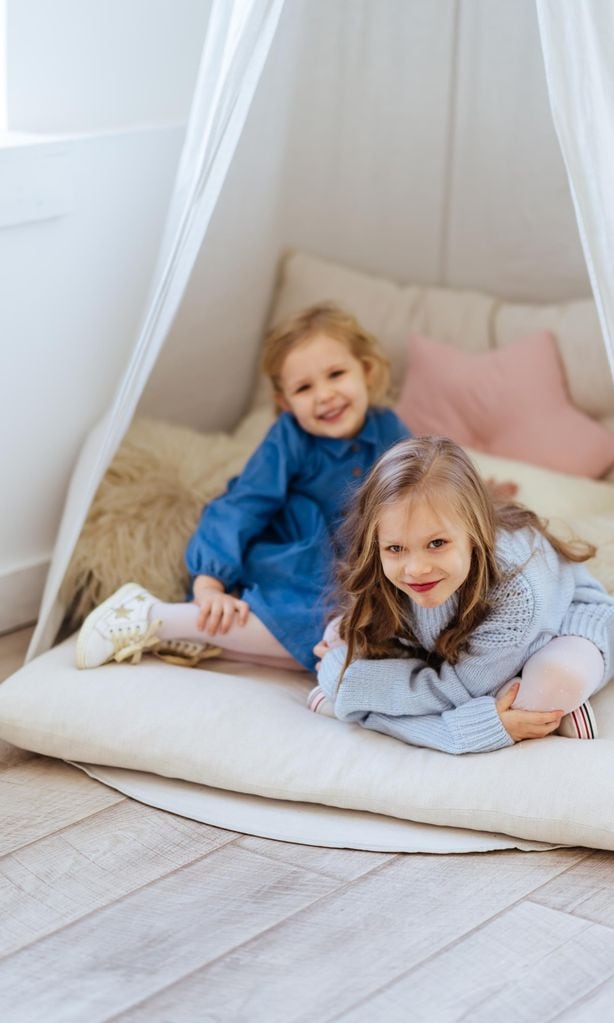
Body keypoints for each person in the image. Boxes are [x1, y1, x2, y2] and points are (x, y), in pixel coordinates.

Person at [76, 303, 410, 672]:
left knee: (354, 640)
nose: (325, 395)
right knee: (322, 625)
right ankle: (152, 614)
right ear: (285, 403)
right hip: (297, 560)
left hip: (353, 564)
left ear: (365, 370)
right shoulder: (289, 438)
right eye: (304, 387)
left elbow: (418, 490)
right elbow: (242, 505)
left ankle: (190, 636)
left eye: (336, 374)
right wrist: (209, 582)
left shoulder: (388, 428)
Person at [309, 436, 614, 751]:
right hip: (467, 656)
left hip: (563, 627)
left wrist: (349, 690)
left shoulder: (516, 590)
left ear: (473, 534)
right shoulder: (390, 573)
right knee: (340, 635)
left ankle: (536, 704)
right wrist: (349, 661)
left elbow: (459, 689)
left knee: (554, 683)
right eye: (396, 548)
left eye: (436, 544)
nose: (416, 569)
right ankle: (516, 700)